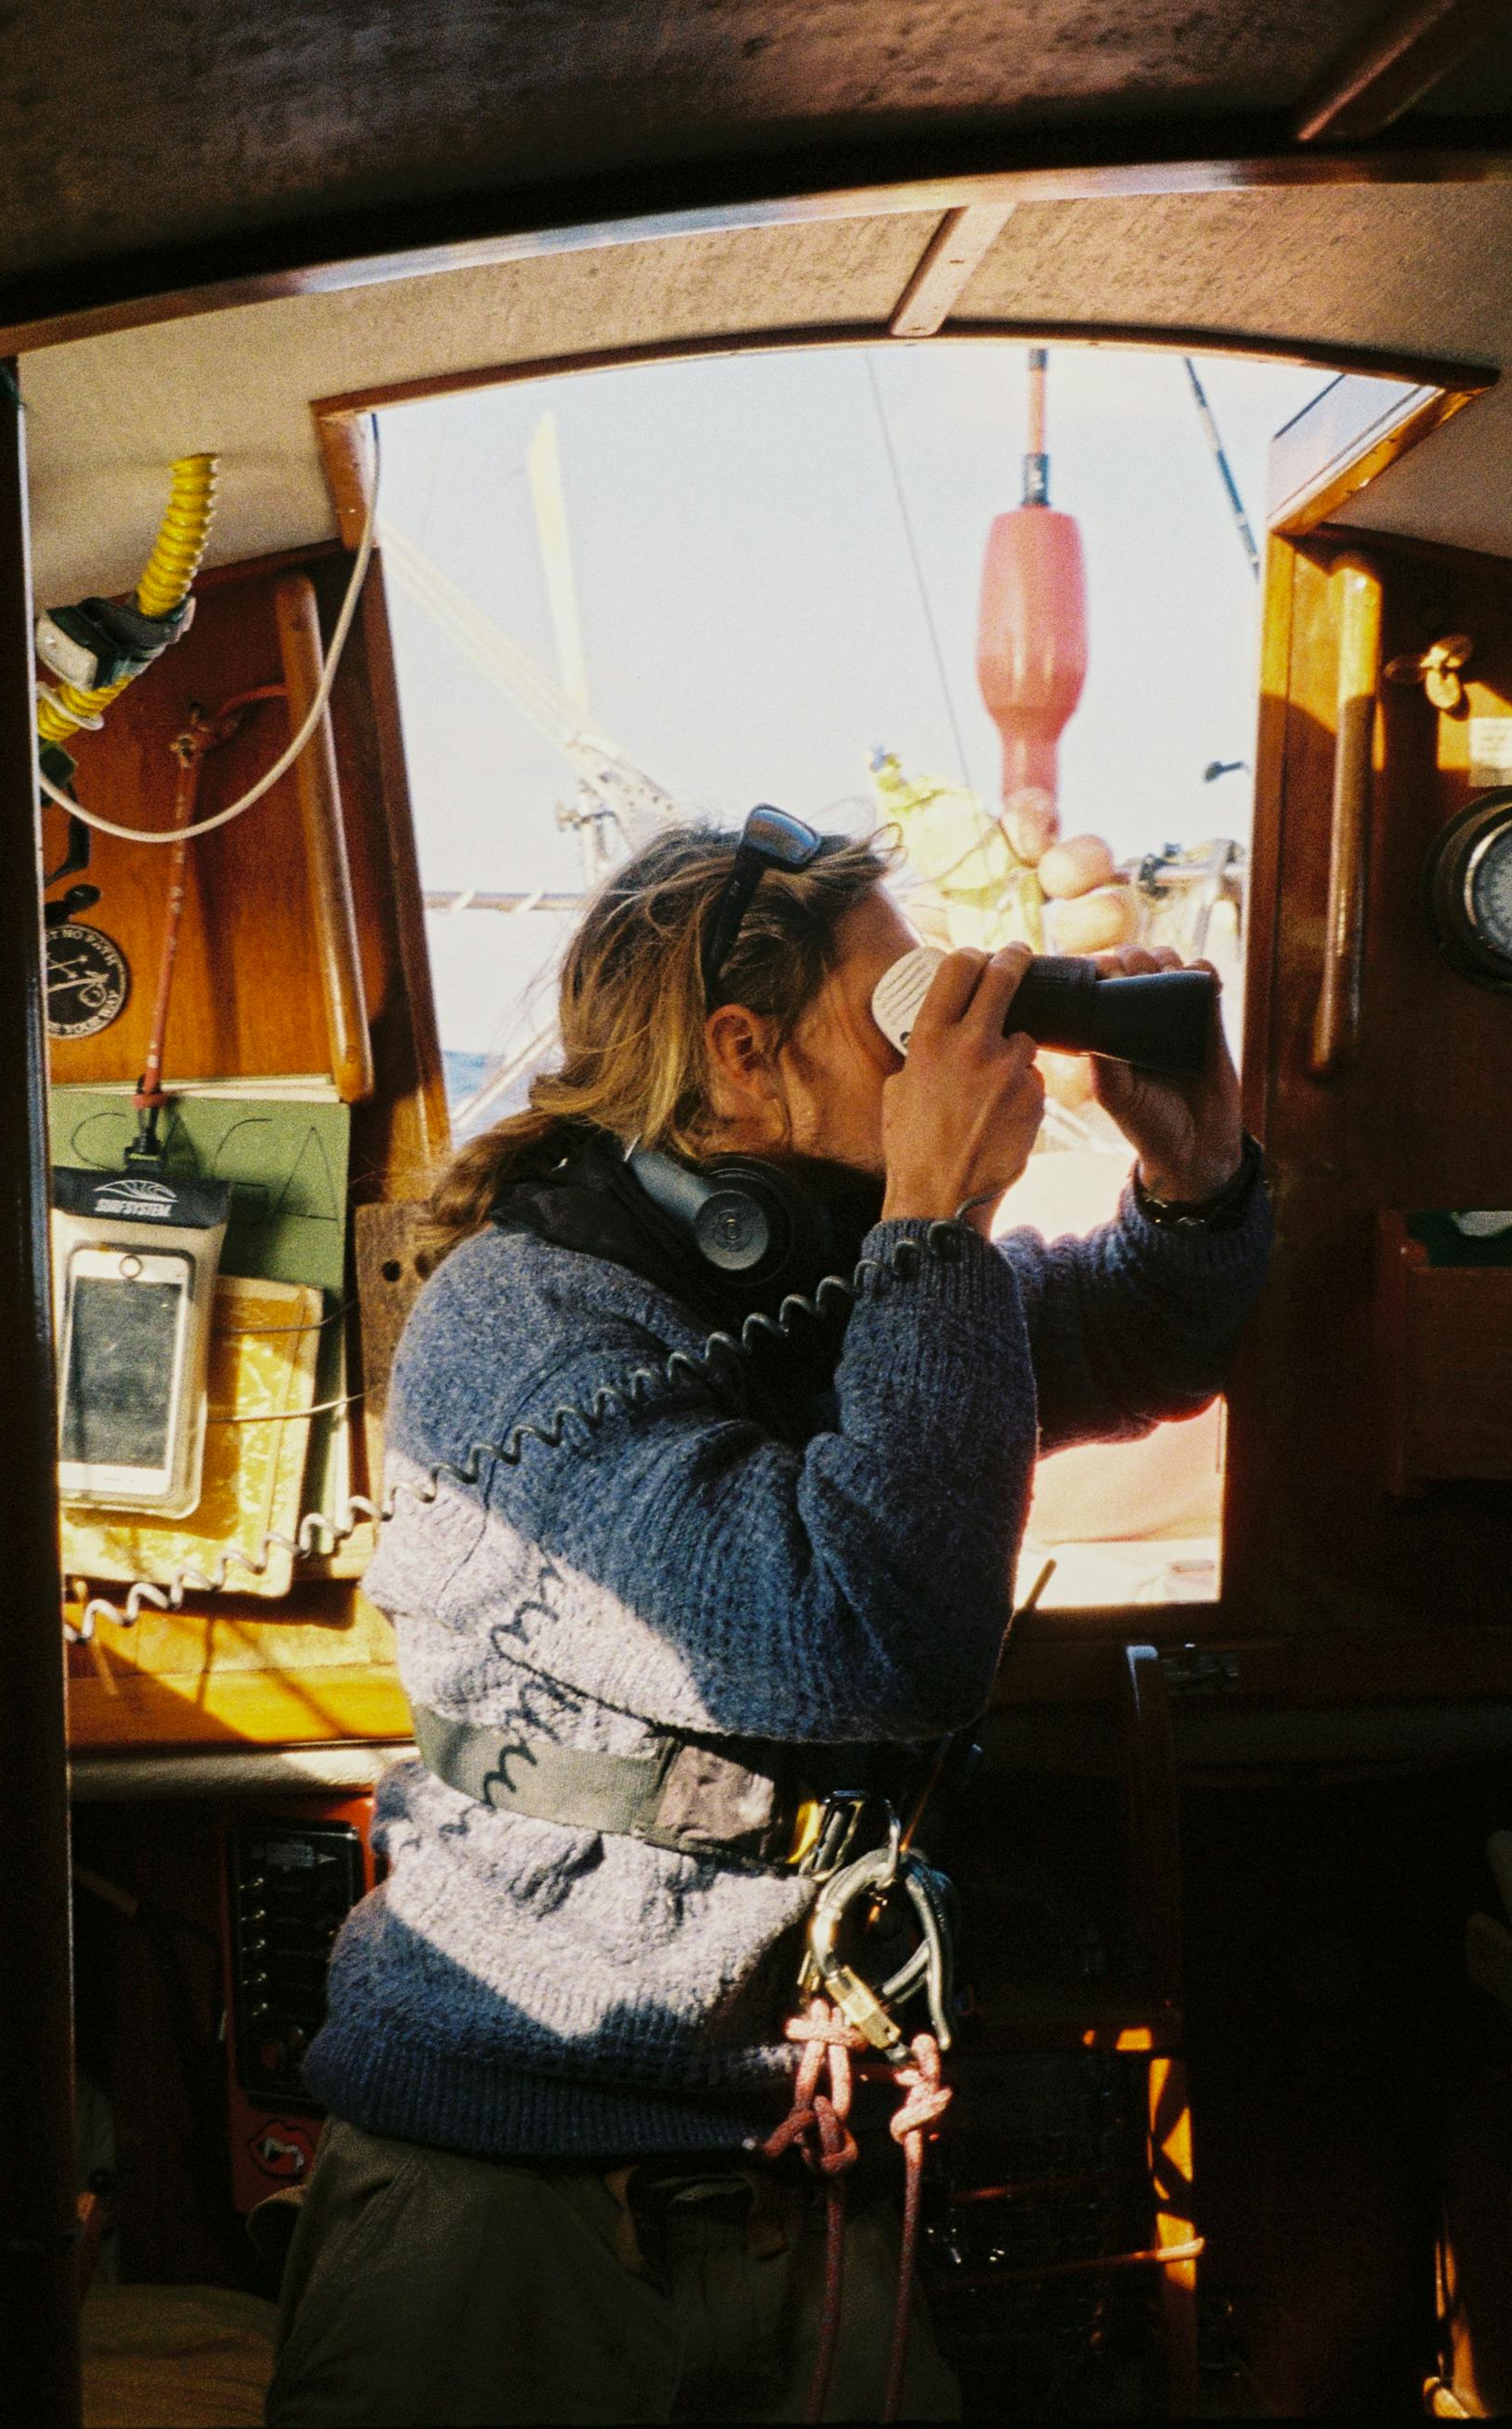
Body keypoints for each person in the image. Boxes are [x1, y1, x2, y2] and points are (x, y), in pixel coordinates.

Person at [268, 810, 1270, 2423]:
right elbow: (869, 1631)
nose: (948, 1047)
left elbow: (1131, 1331)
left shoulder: (817, 1270)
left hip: (802, 2159)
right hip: (514, 2190)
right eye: (901, 1011)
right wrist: (936, 1218)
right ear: (743, 1055)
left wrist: (1195, 1173)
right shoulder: (523, 1323)